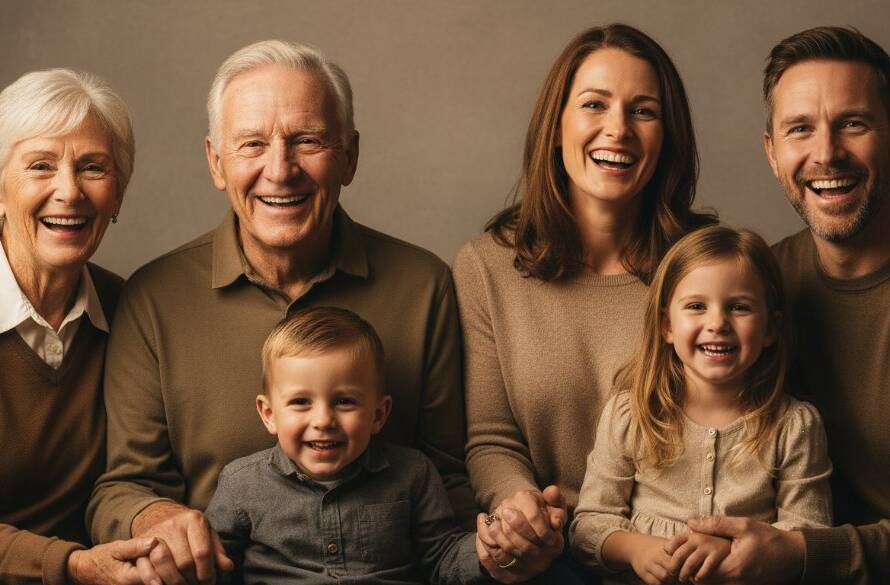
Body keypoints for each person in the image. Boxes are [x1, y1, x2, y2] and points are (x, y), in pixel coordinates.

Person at [87, 40, 475, 585]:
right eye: (251, 144)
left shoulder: (423, 285)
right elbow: (122, 488)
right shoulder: (154, 297)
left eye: (308, 140)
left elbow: (449, 478)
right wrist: (157, 518)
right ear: (215, 162)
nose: (280, 169)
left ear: (350, 156)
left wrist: (497, 545)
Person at [453, 24, 716, 582]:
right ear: (557, 126)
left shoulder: (708, 269)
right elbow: (491, 436)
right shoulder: (485, 267)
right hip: (552, 557)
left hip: (681, 557)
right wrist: (521, 506)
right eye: (594, 104)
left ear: (668, 135)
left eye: (643, 111)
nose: (617, 129)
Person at [667, 26, 890, 584]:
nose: (825, 153)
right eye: (799, 129)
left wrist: (803, 554)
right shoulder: (755, 287)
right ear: (772, 151)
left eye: (853, 124)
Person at [570, 226, 832, 585]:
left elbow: (809, 532)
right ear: (667, 326)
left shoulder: (794, 426)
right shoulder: (631, 415)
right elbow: (589, 526)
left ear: (771, 329)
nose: (717, 324)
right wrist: (637, 550)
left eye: (739, 307)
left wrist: (732, 550)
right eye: (696, 306)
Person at [202, 307, 499, 585]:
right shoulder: (242, 483)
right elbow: (213, 566)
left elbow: (442, 558)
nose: (323, 420)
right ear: (269, 415)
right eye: (301, 402)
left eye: (344, 401)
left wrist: (490, 551)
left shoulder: (412, 473)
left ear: (378, 414)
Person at [0, 69, 158, 585]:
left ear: (118, 195)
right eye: (40, 166)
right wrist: (70, 565)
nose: (68, 191)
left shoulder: (129, 309)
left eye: (93, 167)